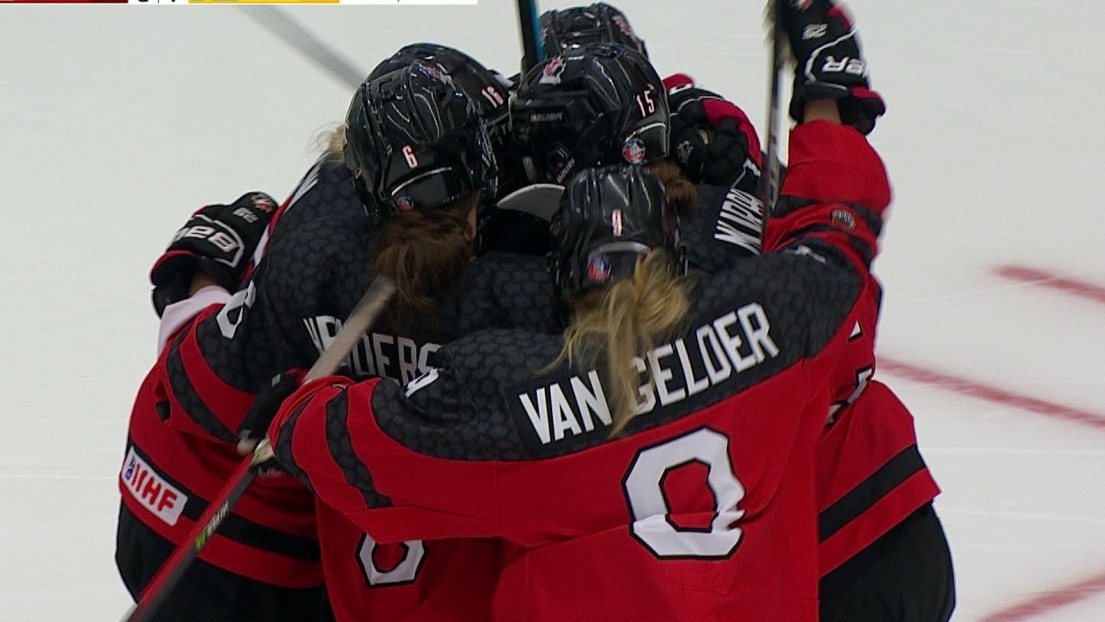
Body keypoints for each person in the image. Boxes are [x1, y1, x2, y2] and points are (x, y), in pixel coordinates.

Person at [258, 2, 900, 618]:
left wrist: (293, 416)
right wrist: (828, 92)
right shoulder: (769, 316)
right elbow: (837, 228)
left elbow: (378, 449)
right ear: (669, 245)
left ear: (561, 275)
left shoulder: (521, 396)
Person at [545, 4, 955, 620]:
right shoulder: (720, 180)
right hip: (885, 526)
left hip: (802, 567)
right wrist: (826, 101)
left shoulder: (556, 264)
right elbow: (839, 275)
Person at [115, 53, 512, 622]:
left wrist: (201, 276)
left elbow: (191, 368)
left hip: (169, 500)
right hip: (254, 558)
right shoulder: (497, 286)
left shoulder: (322, 222)